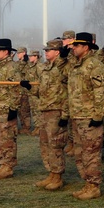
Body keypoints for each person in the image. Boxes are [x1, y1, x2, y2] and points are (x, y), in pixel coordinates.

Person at [20, 38, 68, 190]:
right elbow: (42, 91)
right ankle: (52, 173)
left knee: (55, 145)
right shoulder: (45, 68)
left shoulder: (63, 67)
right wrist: (29, 87)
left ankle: (58, 176)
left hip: (56, 110)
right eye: (45, 50)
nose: (45, 52)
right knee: (45, 143)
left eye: (49, 50)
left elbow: (69, 91)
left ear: (57, 52)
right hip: (44, 110)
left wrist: (65, 114)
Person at [66, 32, 104, 199]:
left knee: (91, 153)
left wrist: (98, 115)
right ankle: (87, 183)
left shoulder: (94, 65)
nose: (73, 48)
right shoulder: (76, 65)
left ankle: (94, 186)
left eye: (76, 45)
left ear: (86, 47)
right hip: (77, 116)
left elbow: (101, 91)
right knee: (80, 153)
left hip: (89, 117)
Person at [0, 39, 22, 179]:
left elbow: (16, 89)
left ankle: (8, 166)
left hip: (6, 109)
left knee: (7, 139)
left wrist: (14, 108)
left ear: (6, 52)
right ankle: (2, 164)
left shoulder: (12, 67)